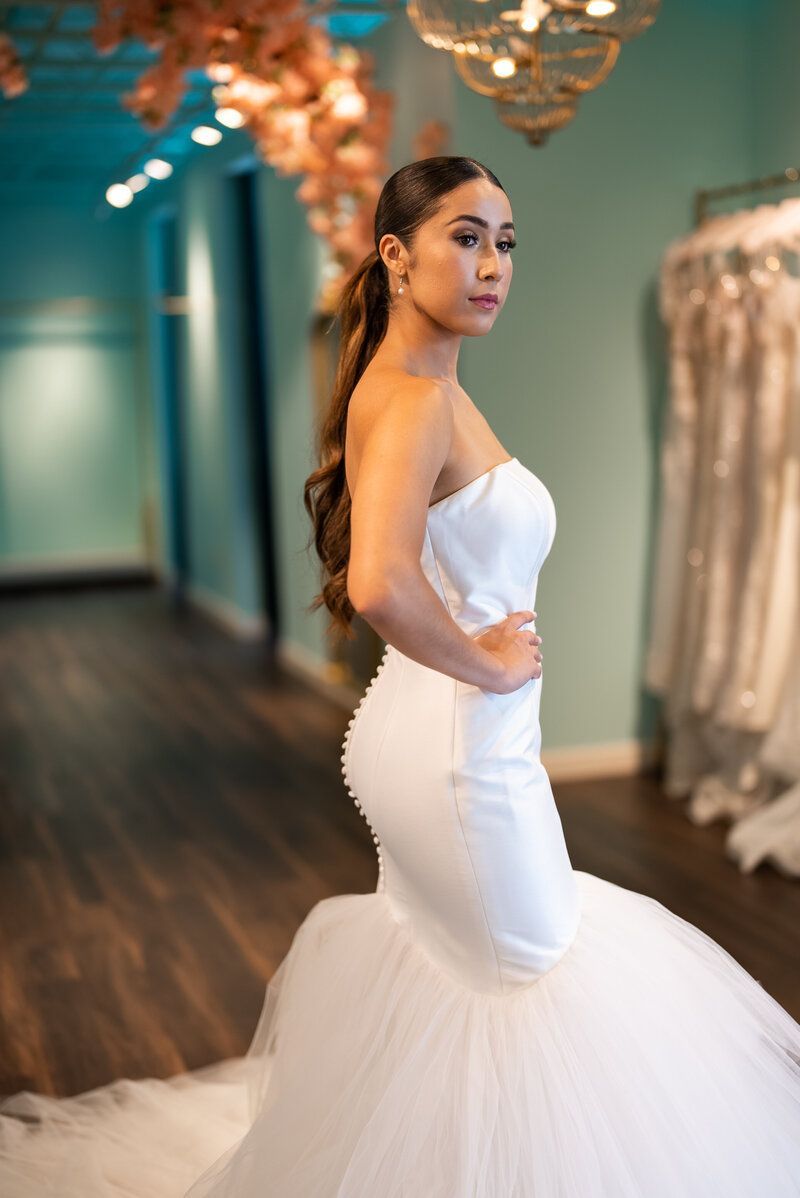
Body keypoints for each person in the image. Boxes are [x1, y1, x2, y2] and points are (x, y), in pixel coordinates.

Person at [1, 155, 799, 1196]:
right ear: (394, 254)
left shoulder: (416, 387)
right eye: (464, 237)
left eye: (504, 241)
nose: (491, 265)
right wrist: (490, 662)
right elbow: (379, 584)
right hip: (461, 751)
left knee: (480, 979)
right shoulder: (415, 398)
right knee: (527, 977)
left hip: (431, 735)